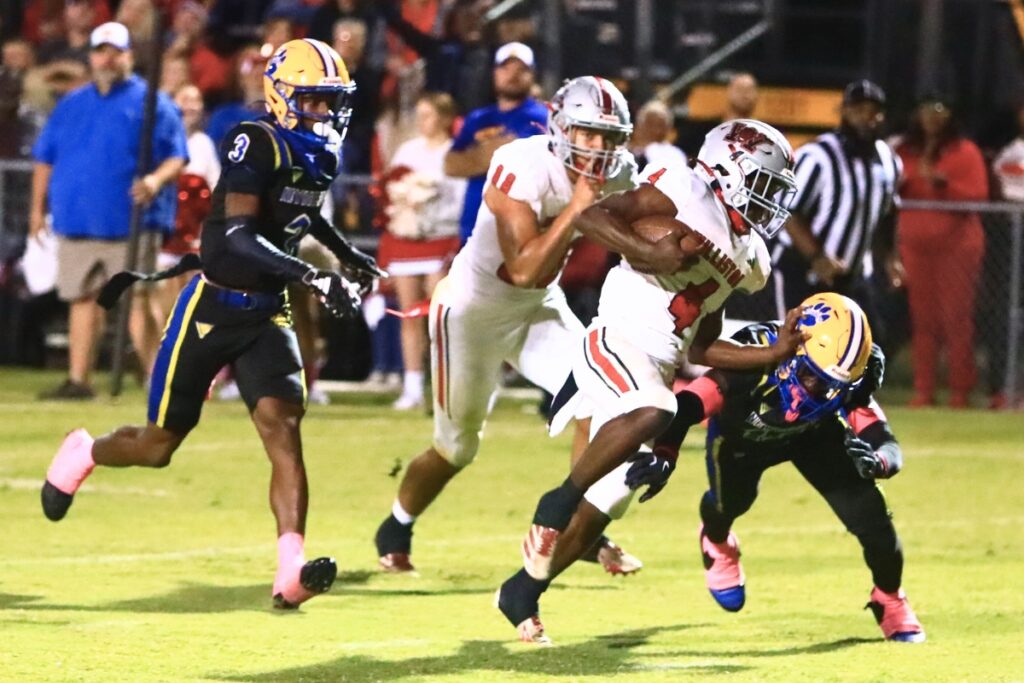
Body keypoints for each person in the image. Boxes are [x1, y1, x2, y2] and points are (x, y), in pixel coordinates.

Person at [40, 38, 387, 610]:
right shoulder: (257, 141)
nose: (325, 112)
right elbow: (239, 235)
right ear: (281, 96)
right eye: (313, 100)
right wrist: (312, 275)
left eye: (331, 100)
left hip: (267, 312)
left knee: (284, 433)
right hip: (213, 307)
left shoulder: (321, 150)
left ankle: (290, 570)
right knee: (157, 446)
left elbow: (301, 213)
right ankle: (84, 452)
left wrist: (345, 254)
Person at [496, 119, 805, 644]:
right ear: (729, 169)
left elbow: (702, 347)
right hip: (615, 338)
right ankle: (556, 502)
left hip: (656, 368)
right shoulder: (681, 187)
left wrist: (774, 352)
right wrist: (648, 254)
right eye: (764, 184)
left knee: (610, 502)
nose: (769, 200)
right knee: (658, 408)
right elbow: (592, 215)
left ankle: (522, 591)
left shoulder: (751, 257)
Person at [373, 76, 685, 575]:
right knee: (457, 446)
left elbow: (660, 213)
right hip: (472, 313)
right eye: (588, 133)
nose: (598, 147)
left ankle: (578, 529)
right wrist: (579, 208)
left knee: (603, 403)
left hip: (538, 307)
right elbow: (522, 269)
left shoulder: (621, 170)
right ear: (561, 128)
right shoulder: (522, 163)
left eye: (609, 136)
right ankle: (396, 526)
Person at [641, 293, 924, 643]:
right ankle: (715, 540)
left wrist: (877, 462)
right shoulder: (755, 355)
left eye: (829, 385)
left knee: (872, 518)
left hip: (814, 436)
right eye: (810, 375)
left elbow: (887, 444)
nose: (816, 390)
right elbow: (686, 406)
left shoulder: (841, 374)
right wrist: (665, 452)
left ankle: (889, 597)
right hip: (742, 440)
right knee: (730, 503)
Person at [29, 22, 188, 399]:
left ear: (129, 56)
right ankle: (79, 379)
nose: (108, 59)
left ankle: (161, 380)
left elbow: (177, 156)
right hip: (78, 220)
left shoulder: (151, 102)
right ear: (91, 57)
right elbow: (45, 158)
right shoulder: (72, 104)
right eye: (101, 52)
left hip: (131, 220)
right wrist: (37, 209)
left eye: (116, 52)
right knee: (82, 300)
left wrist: (154, 181)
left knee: (138, 301)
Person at [768, 80, 904, 350]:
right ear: (844, 112)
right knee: (799, 349)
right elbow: (788, 212)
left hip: (852, 274)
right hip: (803, 269)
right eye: (858, 110)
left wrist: (890, 258)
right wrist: (817, 257)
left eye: (873, 111)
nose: (866, 118)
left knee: (869, 349)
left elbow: (887, 212)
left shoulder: (888, 160)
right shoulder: (817, 156)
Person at [893, 94, 989, 408]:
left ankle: (960, 391)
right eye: (926, 110)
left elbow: (978, 196)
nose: (932, 117)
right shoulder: (904, 150)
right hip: (915, 249)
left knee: (956, 320)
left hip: (957, 250)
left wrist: (943, 184)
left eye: (939, 110)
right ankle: (924, 389)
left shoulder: (965, 151)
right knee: (923, 321)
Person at [378, 92, 467, 410]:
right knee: (408, 313)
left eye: (428, 115)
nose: (422, 122)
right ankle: (412, 386)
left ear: (445, 118)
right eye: (420, 115)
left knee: (439, 315)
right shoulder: (409, 150)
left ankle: (445, 382)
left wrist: (430, 207)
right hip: (408, 239)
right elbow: (392, 187)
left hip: (440, 237)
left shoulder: (454, 152)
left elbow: (459, 199)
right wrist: (404, 205)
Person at [445, 41, 548, 246]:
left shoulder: (544, 118)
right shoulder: (478, 118)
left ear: (533, 75)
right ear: (494, 73)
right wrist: (490, 156)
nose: (512, 75)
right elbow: (450, 165)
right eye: (505, 68)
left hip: (521, 228)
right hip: (474, 225)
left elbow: (539, 169)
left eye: (521, 70)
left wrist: (477, 157)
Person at [629, 99, 687, 172]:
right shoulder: (625, 152)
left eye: (660, 125)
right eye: (650, 123)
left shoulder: (675, 155)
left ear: (668, 128)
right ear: (639, 125)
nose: (655, 130)